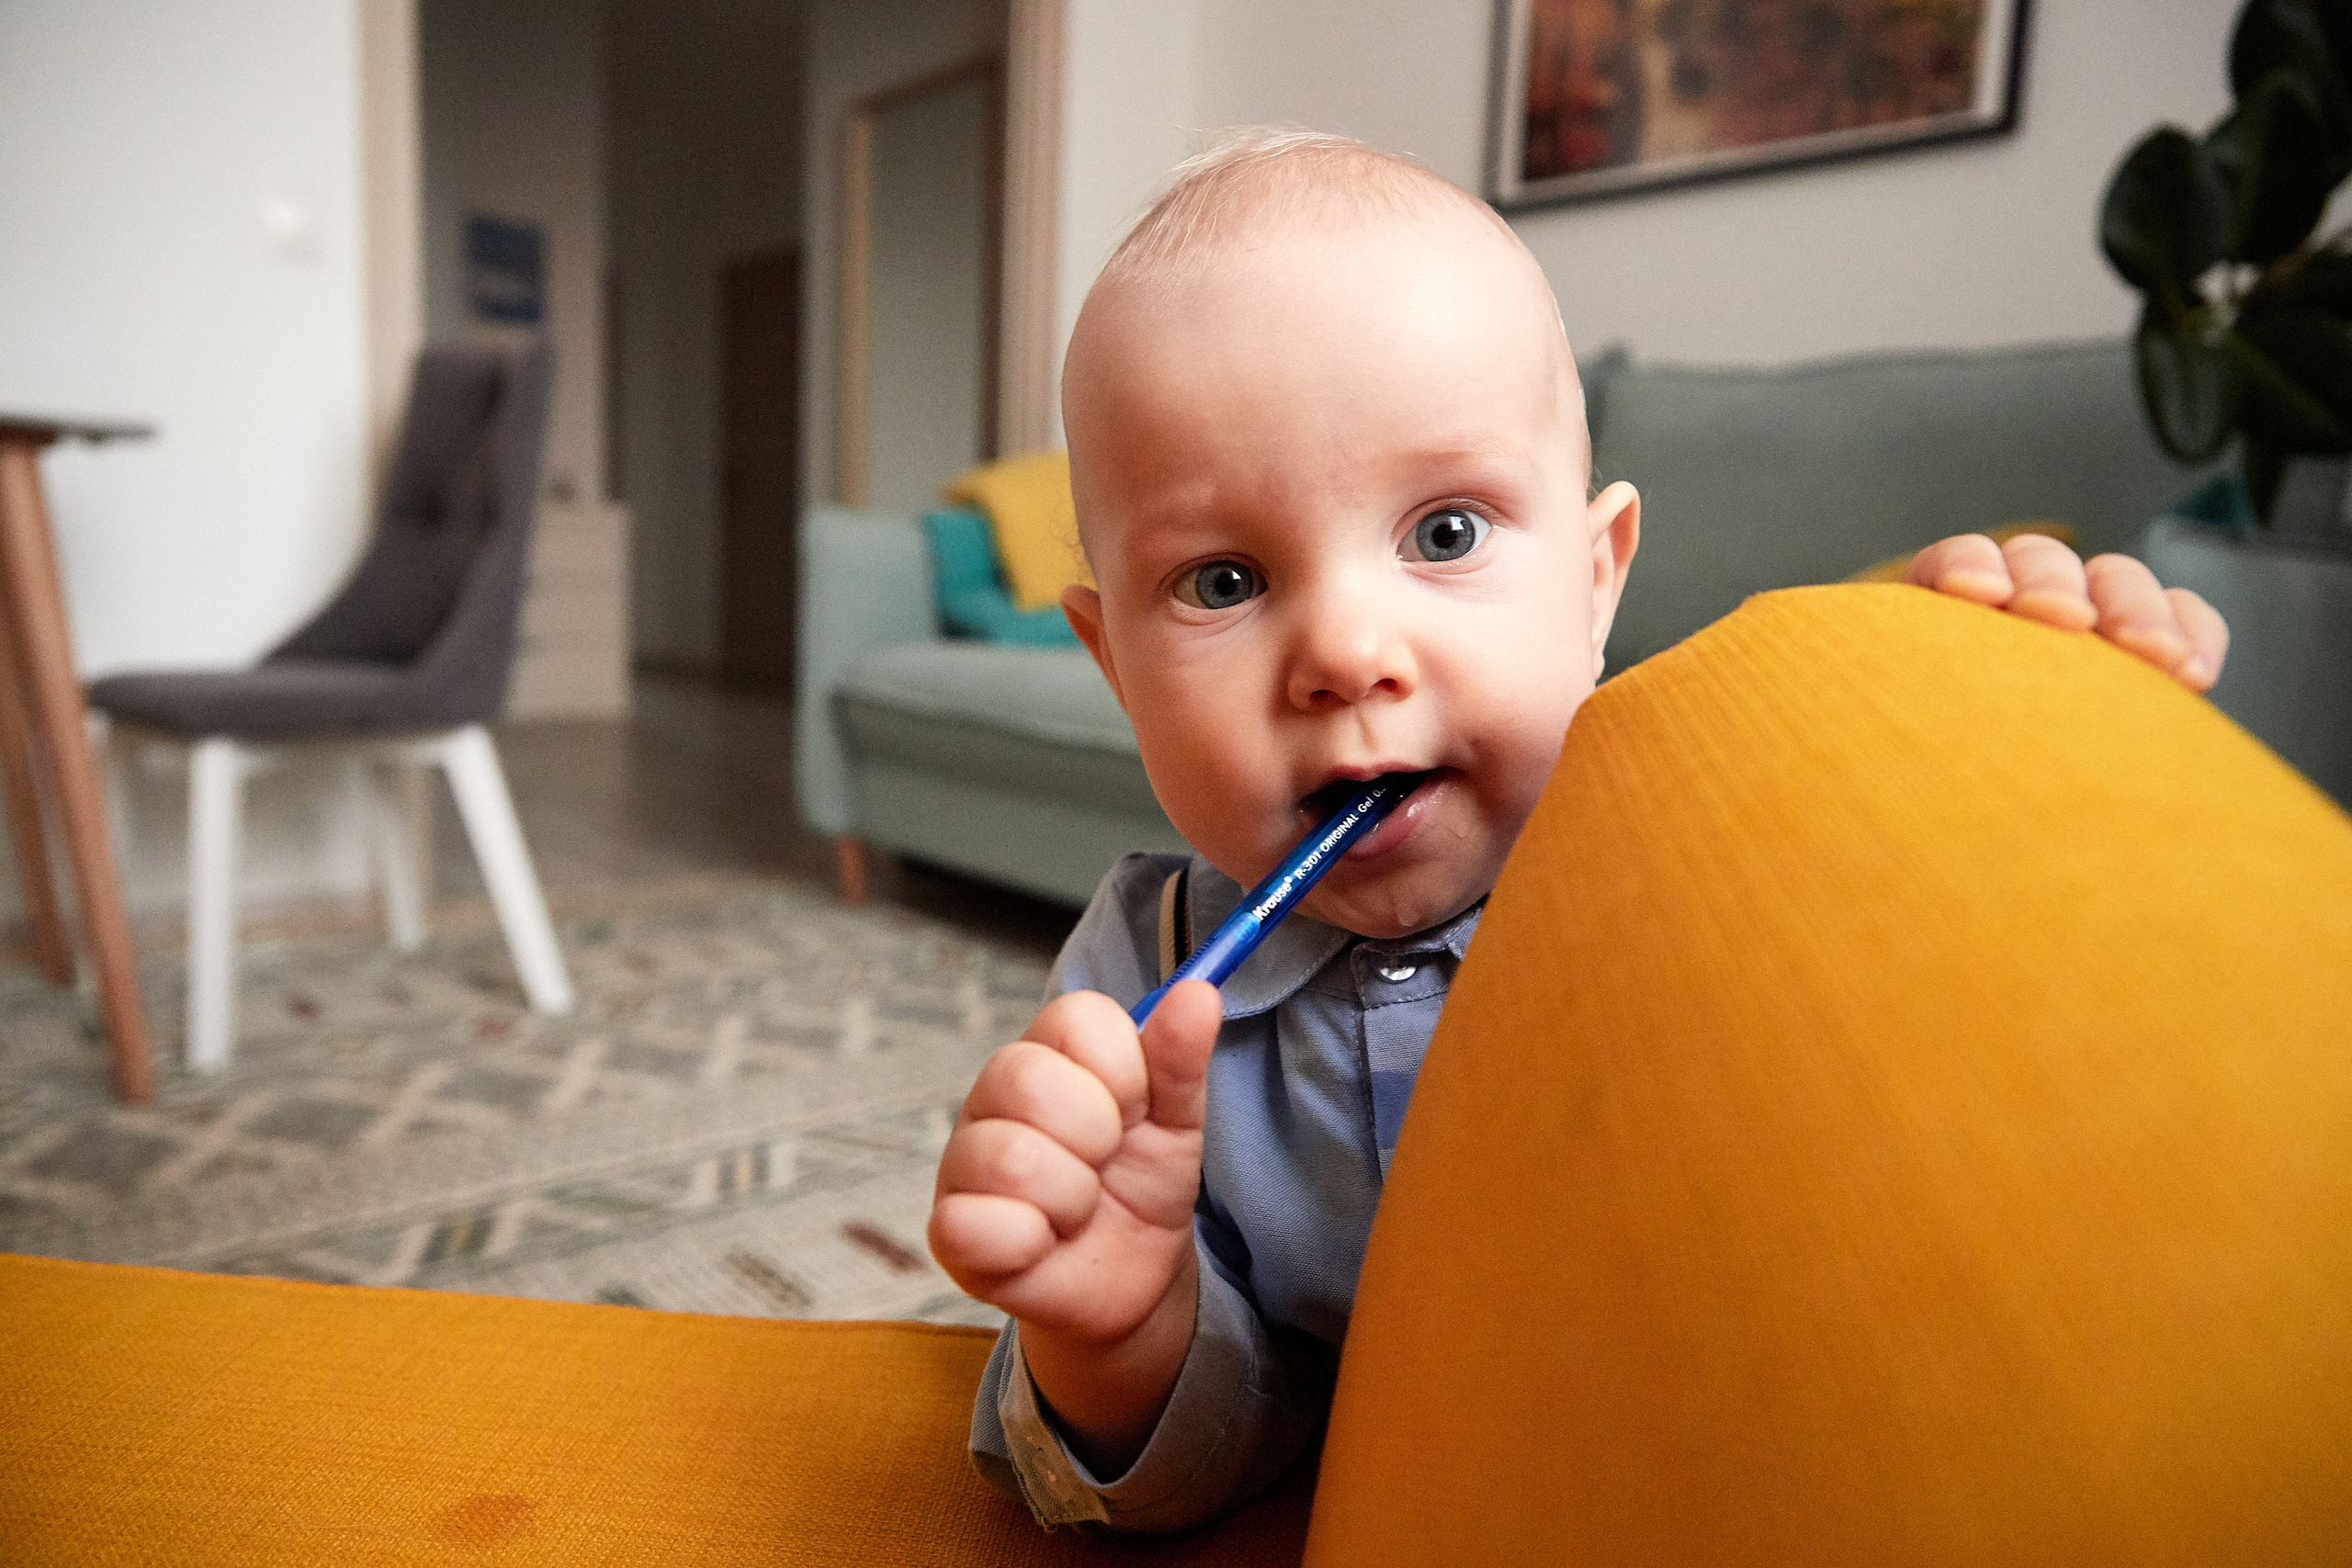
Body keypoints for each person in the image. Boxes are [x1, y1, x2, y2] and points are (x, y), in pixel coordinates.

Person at [925, 130, 2230, 1533]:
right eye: (1224, 578)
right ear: (1114, 665)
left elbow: (1953, 1013)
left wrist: (1975, 705)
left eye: (1442, 534)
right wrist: (1118, 1336)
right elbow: (1184, 1478)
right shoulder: (1139, 987)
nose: (1348, 652)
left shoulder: (1696, 826)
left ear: (1598, 582)